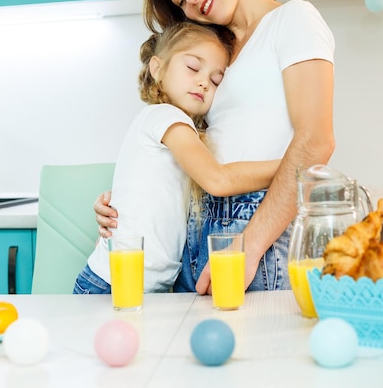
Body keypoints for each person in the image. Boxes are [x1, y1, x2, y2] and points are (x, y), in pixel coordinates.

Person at [94, 0, 335, 294]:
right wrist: (124, 212)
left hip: (258, 228)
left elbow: (315, 142)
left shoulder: (293, 19)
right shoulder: (215, 57)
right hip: (197, 234)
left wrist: (249, 246)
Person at [74, 22, 279, 294]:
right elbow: (218, 179)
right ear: (157, 68)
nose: (204, 82)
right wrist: (292, 167)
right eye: (193, 67)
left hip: (139, 286)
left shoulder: (182, 130)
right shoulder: (166, 117)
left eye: (216, 80)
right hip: (110, 285)